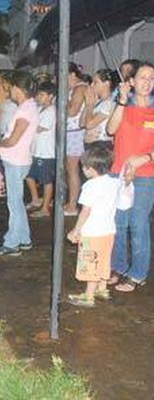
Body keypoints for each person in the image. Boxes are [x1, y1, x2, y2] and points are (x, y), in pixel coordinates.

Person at [106, 62, 154, 292]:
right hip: (119, 172)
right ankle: (119, 267)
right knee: (119, 223)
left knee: (138, 224)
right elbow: (111, 129)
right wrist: (121, 100)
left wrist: (143, 158)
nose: (147, 82)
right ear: (132, 81)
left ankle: (137, 273)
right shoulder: (124, 103)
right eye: (142, 77)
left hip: (146, 174)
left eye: (151, 78)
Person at [0, 71, 39, 256]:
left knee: (14, 203)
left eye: (11, 88)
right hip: (18, 159)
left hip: (16, 160)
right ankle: (24, 238)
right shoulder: (29, 106)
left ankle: (12, 243)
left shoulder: (25, 111)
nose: (9, 91)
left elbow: (12, 140)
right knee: (17, 202)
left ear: (19, 89)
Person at [67, 145, 118, 307]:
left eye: (84, 167)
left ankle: (88, 296)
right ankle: (102, 289)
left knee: (90, 262)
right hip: (109, 231)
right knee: (104, 259)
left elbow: (85, 211)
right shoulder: (114, 183)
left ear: (90, 169)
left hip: (92, 232)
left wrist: (76, 230)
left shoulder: (89, 186)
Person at [25, 81, 56, 218]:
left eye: (42, 95)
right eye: (38, 94)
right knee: (29, 176)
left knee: (46, 180)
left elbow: (38, 127)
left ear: (51, 96)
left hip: (45, 152)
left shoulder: (51, 111)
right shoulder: (39, 109)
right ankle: (36, 199)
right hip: (34, 150)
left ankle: (45, 208)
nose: (39, 97)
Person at [64, 62, 89, 216]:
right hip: (71, 132)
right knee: (70, 169)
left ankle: (73, 205)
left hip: (75, 132)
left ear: (72, 74)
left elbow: (73, 111)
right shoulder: (74, 89)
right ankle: (71, 202)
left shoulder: (80, 88)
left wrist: (61, 101)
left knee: (72, 170)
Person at [81, 69, 118, 150]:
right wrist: (87, 104)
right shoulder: (97, 101)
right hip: (90, 144)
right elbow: (82, 124)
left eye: (96, 82)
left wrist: (90, 106)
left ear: (107, 84)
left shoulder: (109, 103)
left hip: (101, 145)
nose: (92, 85)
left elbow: (89, 125)